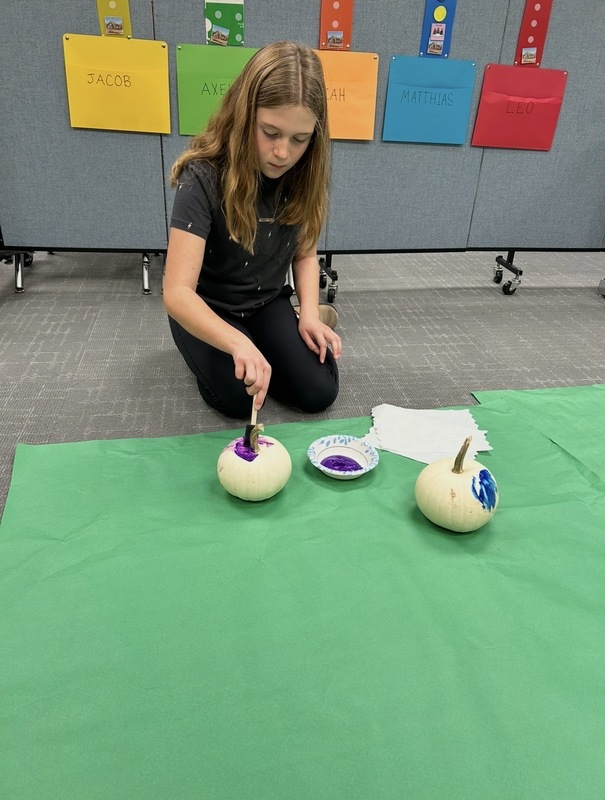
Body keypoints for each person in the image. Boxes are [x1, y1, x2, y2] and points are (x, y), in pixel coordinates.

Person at [163, 41, 342, 419]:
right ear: (245, 116)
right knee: (237, 400)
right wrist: (234, 343)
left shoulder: (302, 174)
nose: (283, 153)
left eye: (299, 139)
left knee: (318, 391)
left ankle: (288, 329)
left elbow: (305, 252)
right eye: (270, 132)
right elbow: (177, 293)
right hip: (207, 307)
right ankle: (225, 344)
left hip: (266, 301)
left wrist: (308, 312)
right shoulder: (203, 175)